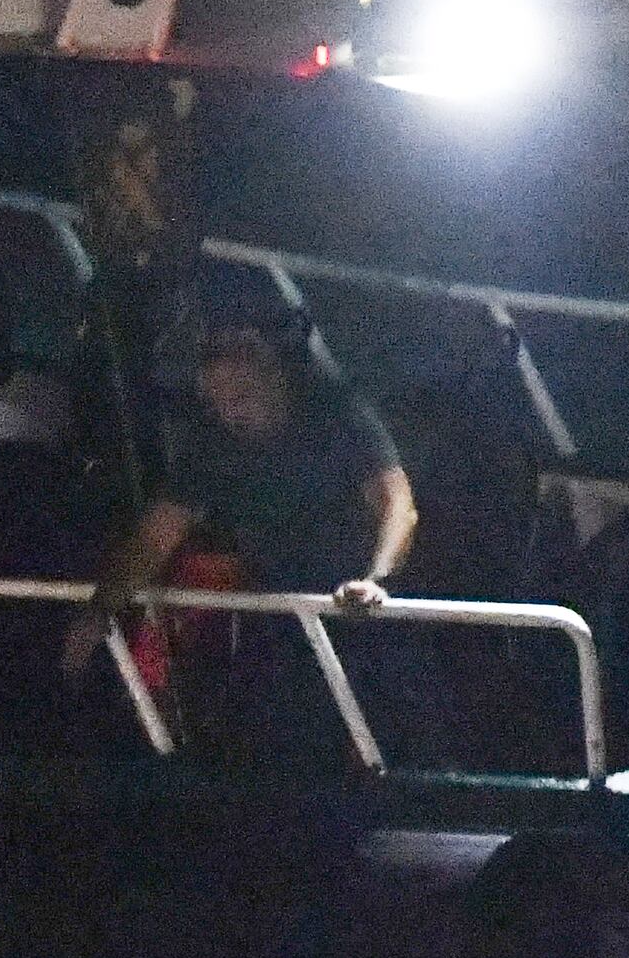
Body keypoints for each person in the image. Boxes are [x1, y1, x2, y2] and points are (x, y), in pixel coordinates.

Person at [58, 299, 417, 707]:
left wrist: (377, 579)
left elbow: (397, 505)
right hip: (276, 606)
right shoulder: (211, 445)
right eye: (219, 402)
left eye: (242, 396)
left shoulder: (336, 415)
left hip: (362, 605)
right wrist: (100, 609)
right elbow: (156, 537)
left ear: (276, 380)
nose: (231, 412)